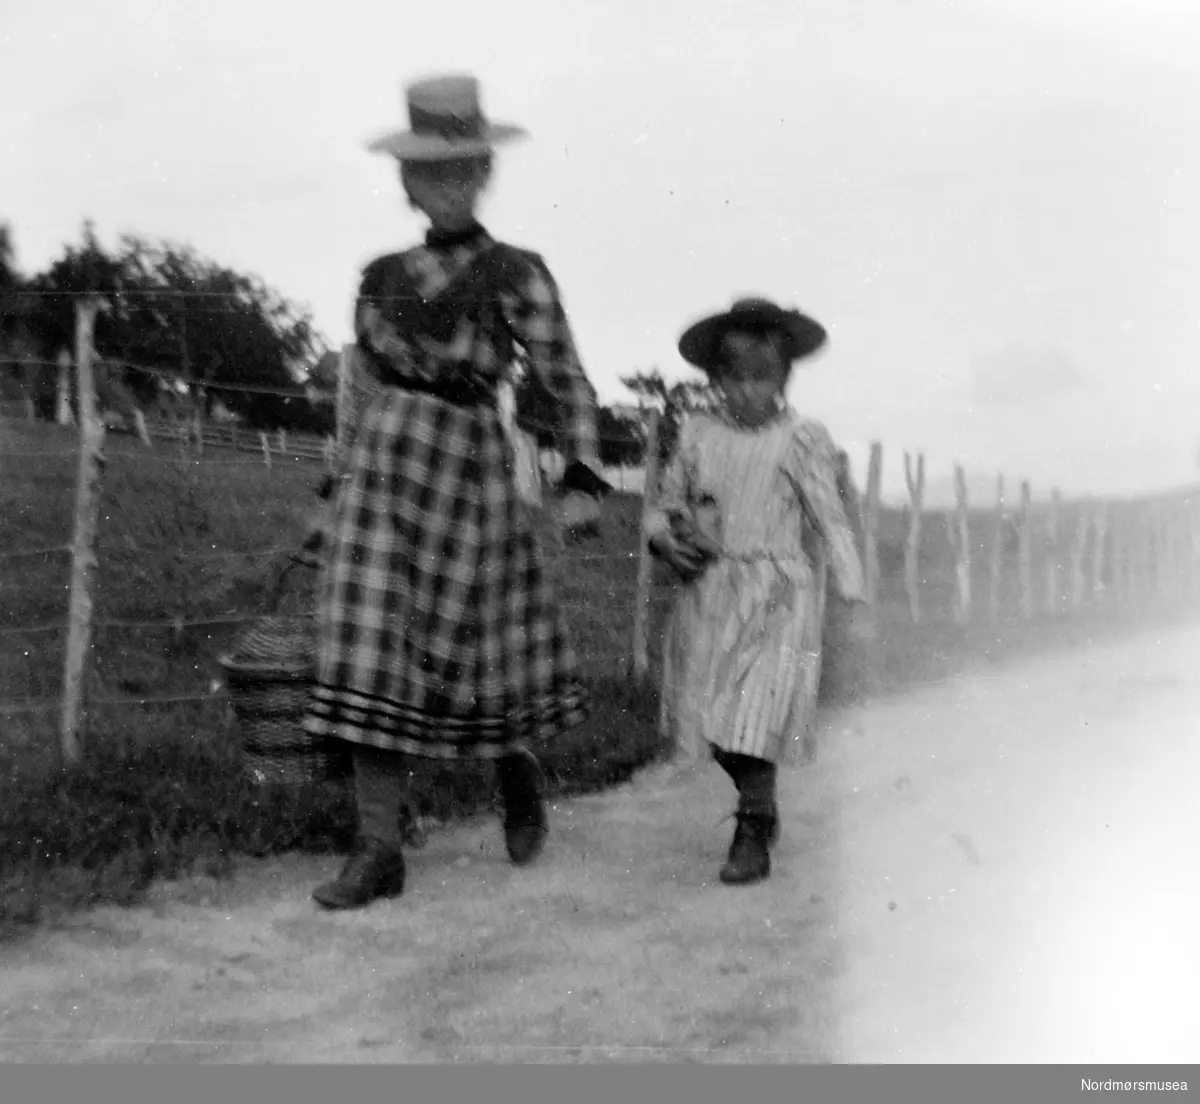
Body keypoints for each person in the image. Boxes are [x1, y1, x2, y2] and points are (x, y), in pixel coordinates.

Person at [303, 74, 607, 910]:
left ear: (486, 175)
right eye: (433, 171)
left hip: (469, 465)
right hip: (382, 469)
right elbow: (358, 388)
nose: (450, 183)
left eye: (466, 168)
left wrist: (579, 478)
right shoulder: (379, 276)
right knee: (368, 637)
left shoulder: (517, 273)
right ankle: (378, 848)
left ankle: (516, 769)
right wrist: (332, 484)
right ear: (407, 182)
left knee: (479, 646)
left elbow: (564, 378)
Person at [648, 297, 874, 886]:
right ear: (715, 381)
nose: (749, 392)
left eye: (763, 379)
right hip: (715, 586)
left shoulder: (800, 439)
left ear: (783, 379)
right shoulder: (699, 435)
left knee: (757, 710)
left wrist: (852, 584)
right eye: (734, 379)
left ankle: (751, 825)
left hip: (779, 592)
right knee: (709, 717)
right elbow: (668, 502)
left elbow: (828, 513)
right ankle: (759, 802)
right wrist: (666, 537)